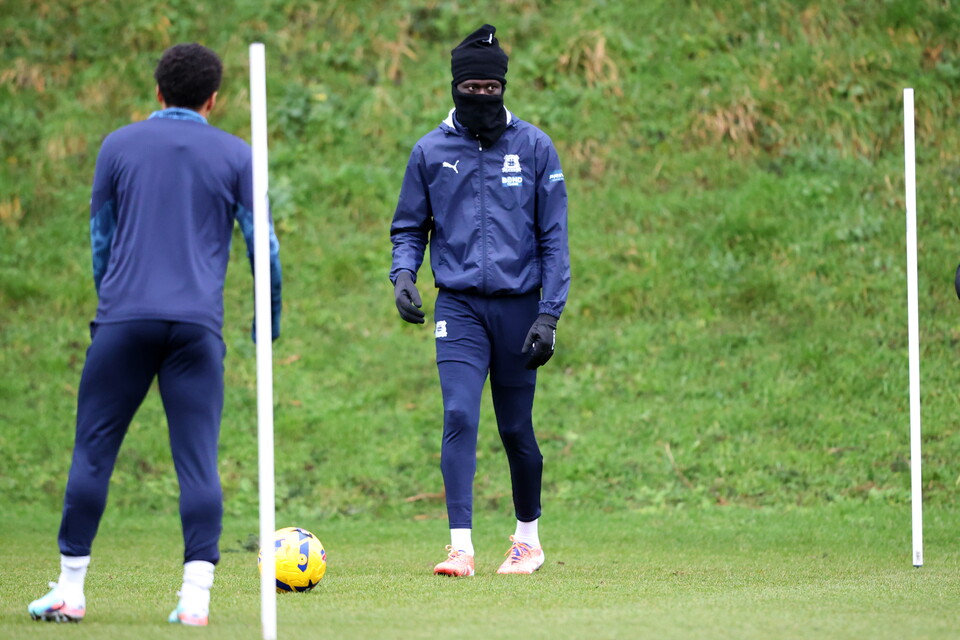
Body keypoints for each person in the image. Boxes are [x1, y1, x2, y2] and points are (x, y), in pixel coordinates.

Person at [27, 43, 282, 626]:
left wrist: (111, 300)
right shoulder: (237, 154)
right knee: (197, 461)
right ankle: (196, 600)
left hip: (124, 319)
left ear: (157, 92)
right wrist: (267, 314)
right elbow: (262, 246)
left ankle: (70, 589)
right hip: (196, 328)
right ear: (213, 100)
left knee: (93, 453)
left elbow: (101, 237)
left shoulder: (118, 145)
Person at [390, 24, 570, 577]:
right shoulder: (429, 151)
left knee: (516, 429)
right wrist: (403, 274)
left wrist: (548, 315)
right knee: (459, 413)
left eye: (491, 90)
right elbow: (409, 226)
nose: (481, 98)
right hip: (459, 307)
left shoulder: (535, 147)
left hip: (520, 311)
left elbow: (553, 238)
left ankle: (527, 540)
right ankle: (460, 547)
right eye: (472, 89)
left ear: (503, 87)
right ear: (455, 87)